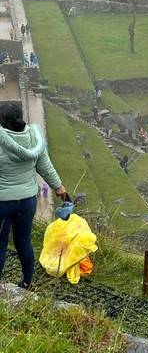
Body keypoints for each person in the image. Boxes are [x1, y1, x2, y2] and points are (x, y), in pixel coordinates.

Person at [0, 102, 66, 289]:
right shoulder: (34, 138)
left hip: (2, 203)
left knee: (1, 243)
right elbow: (45, 165)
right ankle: (27, 282)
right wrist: (59, 186)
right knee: (23, 241)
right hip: (27, 202)